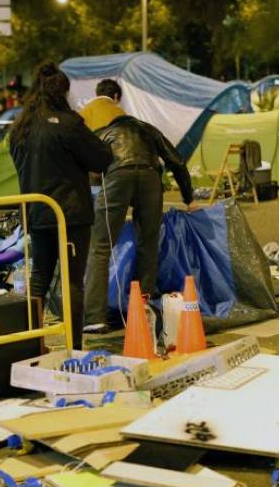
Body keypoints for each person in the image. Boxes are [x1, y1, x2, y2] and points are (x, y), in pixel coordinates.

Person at [8, 62, 113, 349]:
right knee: (72, 281)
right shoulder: (69, 124)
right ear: (62, 91)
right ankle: (74, 345)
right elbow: (101, 158)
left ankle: (31, 342)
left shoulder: (20, 127)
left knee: (39, 277)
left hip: (35, 212)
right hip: (71, 215)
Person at [83, 114, 197, 333]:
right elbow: (177, 161)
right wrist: (189, 198)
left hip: (118, 176)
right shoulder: (149, 130)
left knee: (101, 248)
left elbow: (91, 168)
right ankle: (144, 306)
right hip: (150, 176)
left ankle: (94, 317)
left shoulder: (105, 133)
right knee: (148, 242)